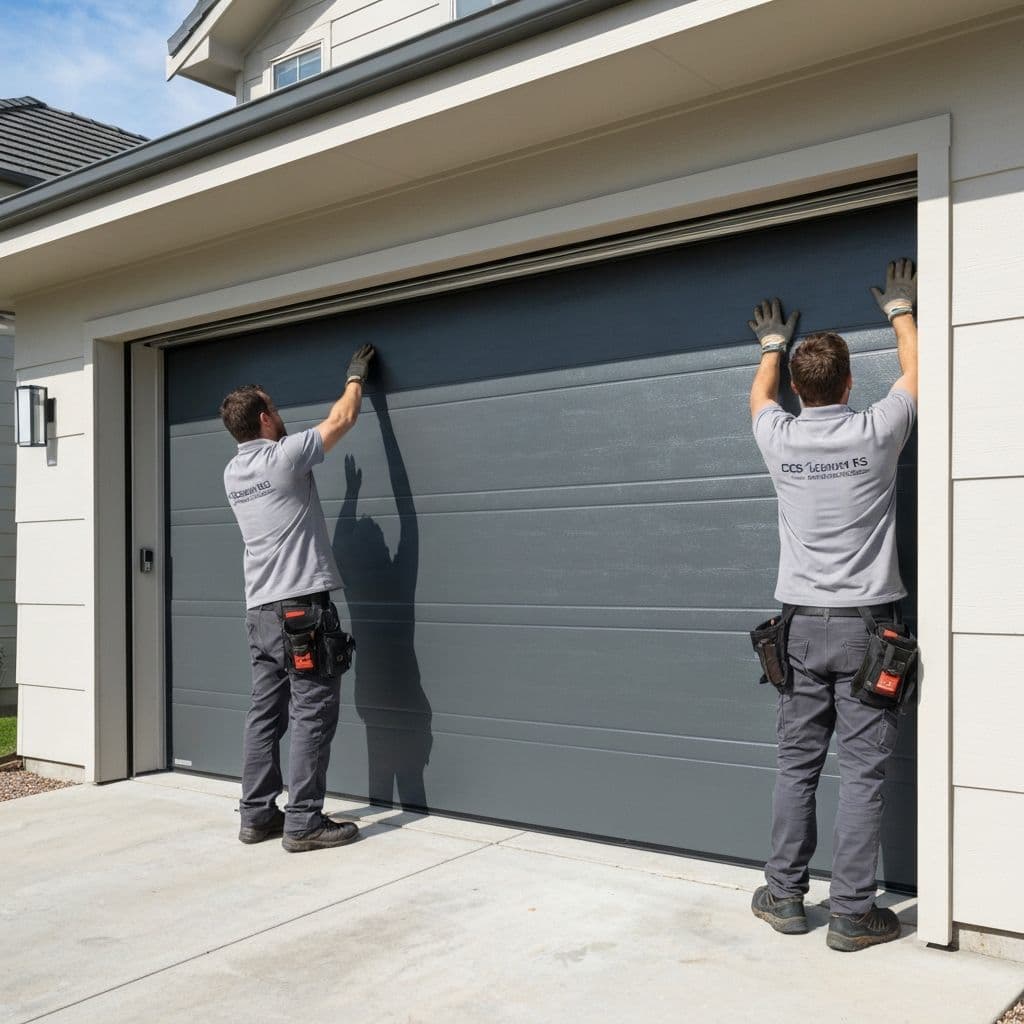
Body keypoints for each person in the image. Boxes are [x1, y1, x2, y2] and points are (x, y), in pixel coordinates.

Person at [746, 259, 917, 951]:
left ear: (797, 388)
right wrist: (902, 308)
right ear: (849, 383)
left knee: (798, 766)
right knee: (864, 774)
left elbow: (755, 397)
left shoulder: (779, 437)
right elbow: (918, 372)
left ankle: (784, 896)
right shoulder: (877, 430)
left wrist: (769, 347)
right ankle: (851, 915)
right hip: (868, 631)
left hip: (798, 631)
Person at [219, 343, 375, 852]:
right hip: (300, 612)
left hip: (260, 611)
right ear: (265, 418)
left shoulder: (234, 474)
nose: (282, 416)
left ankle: (257, 815)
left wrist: (348, 498)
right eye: (277, 409)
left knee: (264, 712)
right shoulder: (284, 458)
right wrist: (356, 376)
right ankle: (304, 820)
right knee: (313, 708)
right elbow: (342, 418)